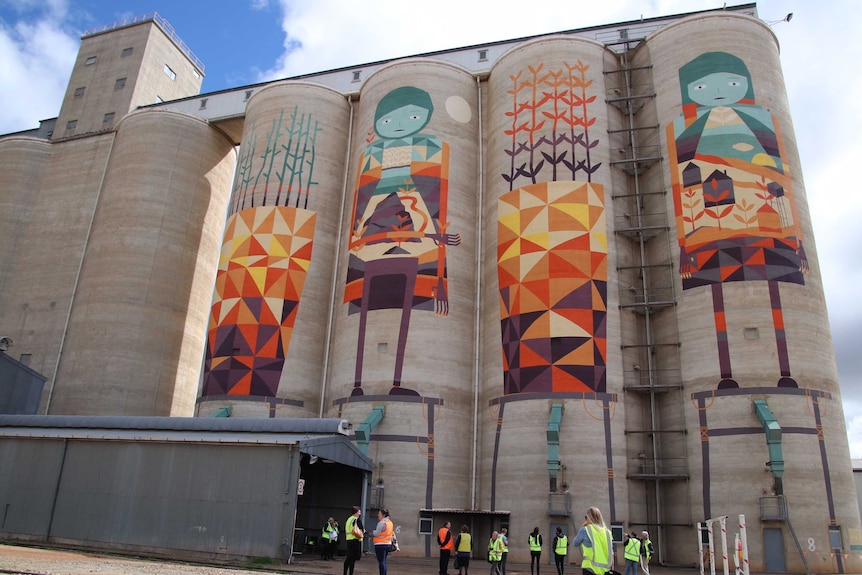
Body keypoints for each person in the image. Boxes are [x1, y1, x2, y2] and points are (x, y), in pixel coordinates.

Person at [346, 85, 461, 397]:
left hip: (403, 248)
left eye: (411, 116)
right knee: (367, 316)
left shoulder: (429, 149)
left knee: (404, 310)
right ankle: (359, 384)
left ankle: (392, 382)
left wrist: (432, 234)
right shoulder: (373, 156)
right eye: (388, 121)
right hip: (380, 250)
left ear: (422, 118)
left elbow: (413, 198)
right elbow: (383, 196)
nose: (399, 124)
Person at [572, 507, 613, 575]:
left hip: (589, 568)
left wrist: (582, 526)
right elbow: (611, 553)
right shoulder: (607, 532)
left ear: (589, 518)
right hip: (605, 570)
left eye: (586, 517)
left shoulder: (585, 530)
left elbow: (575, 543)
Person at [372, 508, 394, 575]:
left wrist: (373, 532)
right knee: (384, 561)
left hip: (380, 544)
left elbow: (377, 533)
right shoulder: (390, 523)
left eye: (379, 514)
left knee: (381, 562)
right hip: (388, 544)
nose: (378, 515)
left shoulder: (381, 523)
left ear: (383, 515)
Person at [343, 506, 364, 575]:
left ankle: (345, 573)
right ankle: (350, 573)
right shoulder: (357, 520)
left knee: (348, 558)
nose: (360, 513)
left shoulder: (349, 519)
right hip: (355, 540)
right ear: (356, 512)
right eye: (359, 512)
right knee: (353, 559)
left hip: (349, 540)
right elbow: (362, 529)